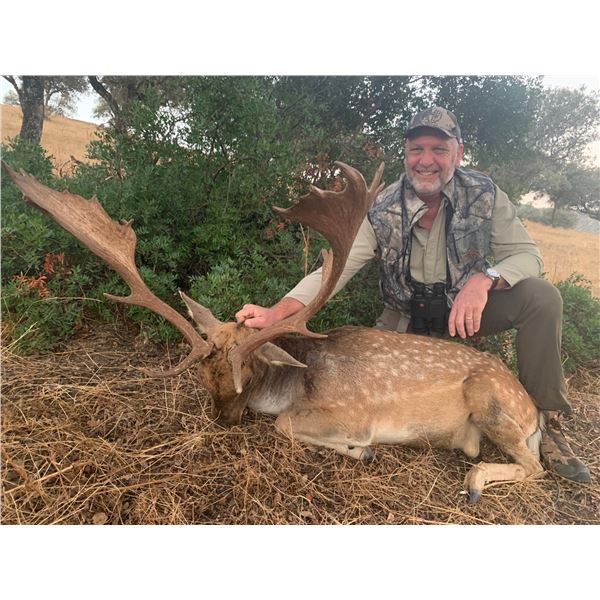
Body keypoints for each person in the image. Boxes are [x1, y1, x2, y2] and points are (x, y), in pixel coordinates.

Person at [235, 106, 591, 483]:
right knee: (357, 383)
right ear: (406, 154)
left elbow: (528, 256)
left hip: (462, 313)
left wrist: (485, 279)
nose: (426, 160)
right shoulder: (382, 206)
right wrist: (278, 312)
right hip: (403, 321)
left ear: (458, 152)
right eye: (417, 149)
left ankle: (548, 423)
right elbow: (337, 268)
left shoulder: (483, 195)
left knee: (541, 298)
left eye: (439, 149)